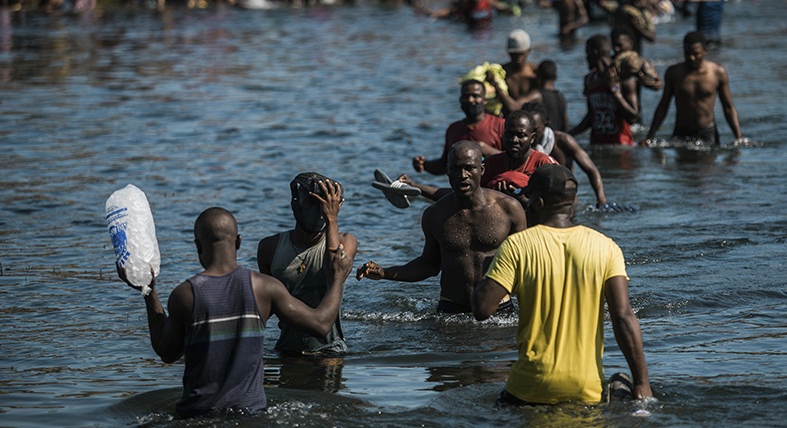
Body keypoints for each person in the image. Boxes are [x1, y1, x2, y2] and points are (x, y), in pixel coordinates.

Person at [117, 205, 353, 418]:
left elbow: (167, 353)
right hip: (252, 415)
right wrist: (337, 279)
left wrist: (148, 291)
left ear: (198, 246)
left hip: (197, 414)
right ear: (238, 242)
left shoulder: (185, 295)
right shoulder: (265, 288)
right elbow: (321, 324)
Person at [471, 165, 654, 404]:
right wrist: (642, 383)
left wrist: (489, 267)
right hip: (585, 390)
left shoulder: (517, 246)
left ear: (537, 204)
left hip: (529, 388)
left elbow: (482, 309)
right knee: (621, 380)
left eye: (528, 199)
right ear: (572, 203)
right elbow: (623, 317)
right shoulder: (606, 246)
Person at [356, 141, 526, 314]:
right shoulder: (435, 215)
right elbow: (429, 265)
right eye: (455, 168)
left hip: (499, 308)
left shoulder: (508, 209)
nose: (463, 175)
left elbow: (526, 264)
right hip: (451, 309)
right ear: (447, 171)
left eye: (469, 168)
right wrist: (385, 273)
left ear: (481, 170)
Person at [257, 173, 358, 356]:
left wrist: (332, 220)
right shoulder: (270, 247)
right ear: (297, 204)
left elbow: (333, 272)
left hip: (331, 351)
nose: (319, 211)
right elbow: (266, 307)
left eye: (325, 204)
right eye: (312, 203)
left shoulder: (346, 241)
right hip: (287, 350)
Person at [406, 110, 555, 201]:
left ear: (533, 138)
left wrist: (523, 198)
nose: (514, 140)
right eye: (509, 134)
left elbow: (566, 202)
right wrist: (415, 186)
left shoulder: (544, 165)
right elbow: (459, 195)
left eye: (521, 135)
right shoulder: (491, 165)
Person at [643, 31, 744, 146]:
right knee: (682, 163)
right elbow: (663, 105)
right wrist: (650, 137)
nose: (691, 58)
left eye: (696, 54)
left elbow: (728, 107)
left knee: (708, 163)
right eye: (687, 53)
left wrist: (738, 137)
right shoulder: (674, 73)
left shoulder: (717, 73)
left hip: (707, 132)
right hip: (681, 132)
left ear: (705, 51)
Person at [412, 79, 505, 175]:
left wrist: (487, 150)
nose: (470, 100)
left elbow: (514, 159)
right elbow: (444, 165)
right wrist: (425, 165)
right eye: (466, 96)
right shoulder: (454, 129)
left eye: (475, 96)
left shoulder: (500, 125)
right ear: (460, 99)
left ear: (485, 100)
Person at [524, 102, 607, 206]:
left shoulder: (563, 141)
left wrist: (601, 200)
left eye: (535, 129)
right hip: (536, 202)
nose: (532, 134)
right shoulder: (519, 145)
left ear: (545, 123)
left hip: (566, 203)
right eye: (528, 129)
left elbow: (591, 170)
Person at [570, 34, 639, 145]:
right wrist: (569, 134)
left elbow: (633, 116)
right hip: (597, 145)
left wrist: (614, 90)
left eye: (587, 53)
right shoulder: (589, 79)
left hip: (621, 145)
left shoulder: (623, 78)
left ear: (595, 52)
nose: (586, 58)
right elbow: (591, 116)